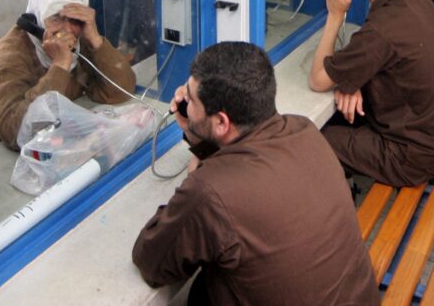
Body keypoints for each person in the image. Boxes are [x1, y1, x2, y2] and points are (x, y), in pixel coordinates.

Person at [133, 42, 379, 305]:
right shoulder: (303, 129)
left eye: (191, 100)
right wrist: (198, 132)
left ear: (221, 122)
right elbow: (240, 160)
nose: (183, 101)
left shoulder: (209, 192)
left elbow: (153, 261)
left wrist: (193, 184)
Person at [309, 0, 434, 187]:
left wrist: (335, 15)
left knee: (314, 139)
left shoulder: (382, 29)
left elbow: (318, 80)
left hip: (409, 157)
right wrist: (353, 80)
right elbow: (385, 56)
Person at [0, 0, 135, 149]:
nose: (67, 30)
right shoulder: (3, 63)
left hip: (55, 134)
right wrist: (60, 65)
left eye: (75, 20)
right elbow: (16, 134)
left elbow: (120, 91)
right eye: (56, 18)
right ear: (35, 21)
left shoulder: (78, 39)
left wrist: (96, 41)